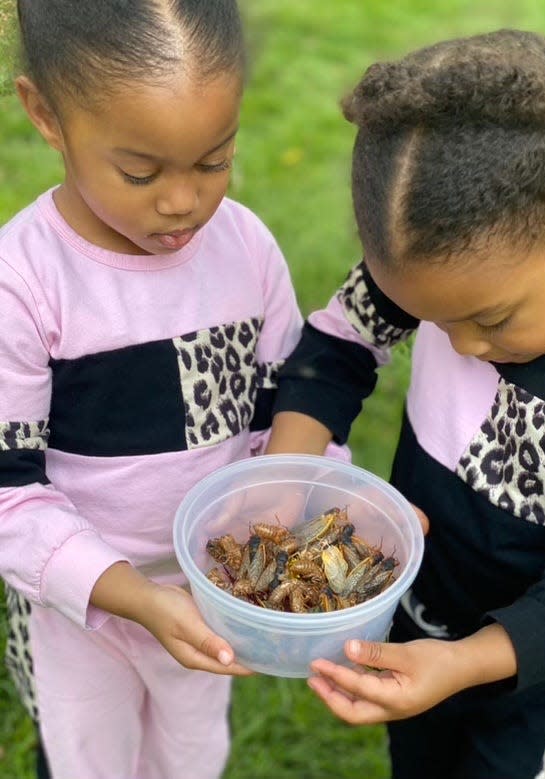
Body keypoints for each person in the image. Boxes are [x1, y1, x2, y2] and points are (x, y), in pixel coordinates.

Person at [265, 29, 545, 779]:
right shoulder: (456, 266)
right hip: (418, 628)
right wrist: (287, 474)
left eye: (489, 321)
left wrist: (465, 662)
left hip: (542, 681)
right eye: (428, 318)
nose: (458, 346)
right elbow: (337, 344)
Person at [0, 1, 308, 777]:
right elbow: (8, 494)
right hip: (78, 603)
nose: (183, 201)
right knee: (86, 758)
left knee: (189, 754)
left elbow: (283, 416)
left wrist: (313, 493)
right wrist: (131, 596)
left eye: (215, 160)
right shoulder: (23, 283)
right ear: (46, 113)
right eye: (140, 171)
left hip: (212, 588)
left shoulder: (246, 249)